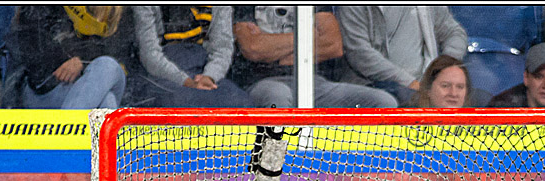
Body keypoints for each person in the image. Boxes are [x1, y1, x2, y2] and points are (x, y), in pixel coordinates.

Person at [231, 6, 397, 109]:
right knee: (278, 96)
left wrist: (274, 49)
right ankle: (276, 162)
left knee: (383, 102)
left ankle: (351, 164)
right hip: (261, 82)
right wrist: (310, 35)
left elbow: (334, 45)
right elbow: (253, 48)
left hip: (313, 83)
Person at [337, 6, 468, 107]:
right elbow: (359, 53)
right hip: (374, 87)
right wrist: (410, 83)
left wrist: (443, 69)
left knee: (480, 97)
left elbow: (454, 33)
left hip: (426, 86)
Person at [10, 6, 135, 110]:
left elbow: (118, 53)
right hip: (47, 90)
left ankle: (65, 133)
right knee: (107, 101)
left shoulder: (120, 10)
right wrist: (65, 60)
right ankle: (71, 134)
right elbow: (32, 49)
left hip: (97, 80)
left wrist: (80, 62)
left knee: (108, 66)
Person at [130, 6, 254, 108]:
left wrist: (210, 77)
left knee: (241, 103)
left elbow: (222, 48)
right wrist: (187, 82)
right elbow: (150, 55)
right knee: (177, 101)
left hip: (202, 70)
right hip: (162, 75)